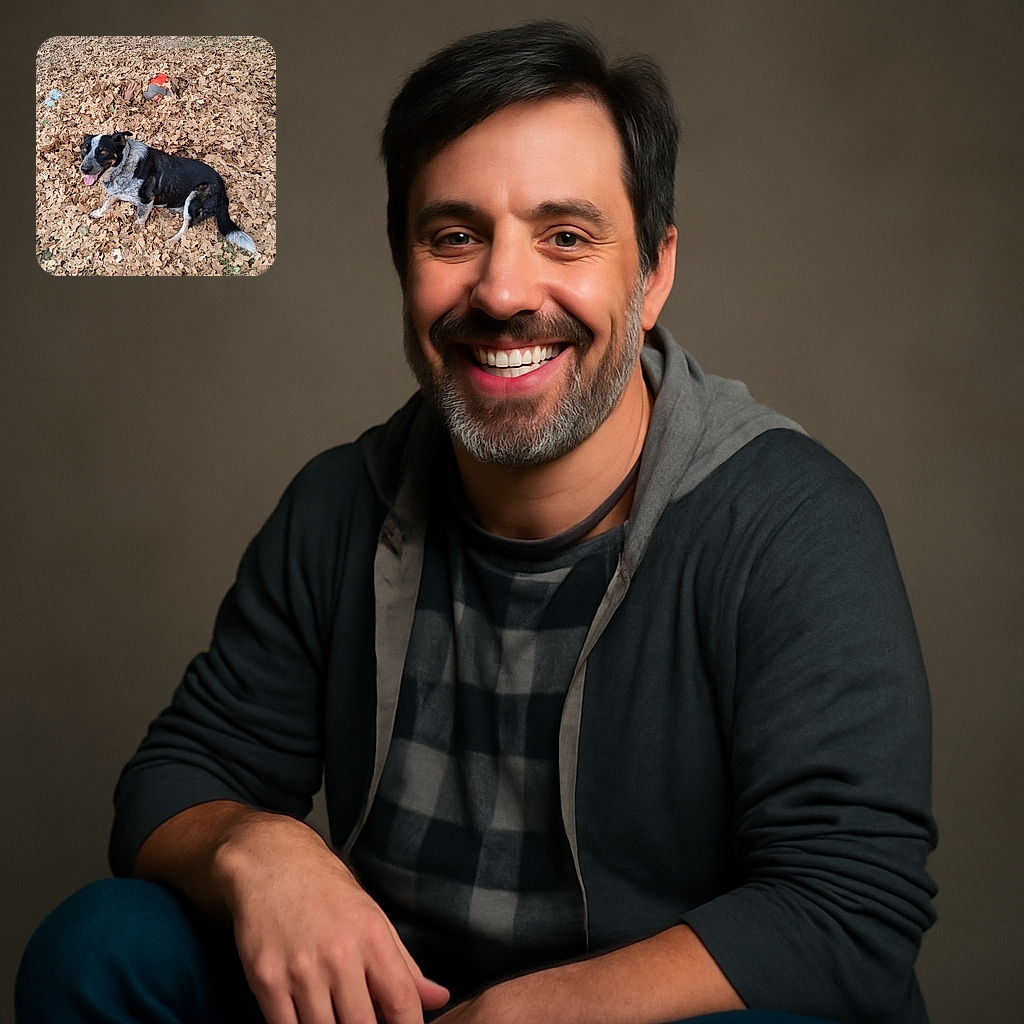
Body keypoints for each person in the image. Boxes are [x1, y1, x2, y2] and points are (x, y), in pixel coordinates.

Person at [16, 21, 937, 1024]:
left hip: (658, 1014)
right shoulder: (339, 506)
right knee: (104, 946)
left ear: (654, 271)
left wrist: (527, 1015)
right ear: (404, 267)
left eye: (567, 238)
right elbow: (174, 777)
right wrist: (261, 847)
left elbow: (850, 909)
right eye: (453, 236)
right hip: (405, 1004)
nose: (501, 291)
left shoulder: (791, 523)